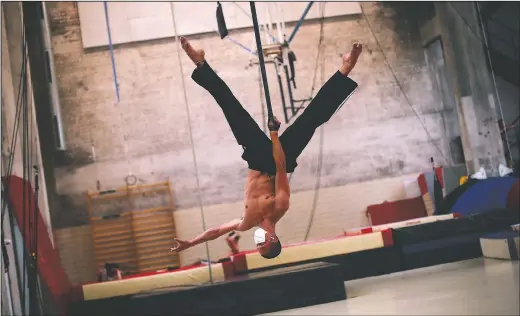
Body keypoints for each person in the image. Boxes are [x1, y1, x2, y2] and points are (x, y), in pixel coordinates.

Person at [171, 37, 362, 259]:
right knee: (312, 118)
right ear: (273, 239)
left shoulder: (246, 222)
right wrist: (274, 134)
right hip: (282, 157)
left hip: (256, 158)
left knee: (232, 109)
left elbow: (215, 232)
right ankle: (346, 67)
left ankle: (200, 63)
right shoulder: (280, 205)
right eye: (262, 245)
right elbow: (280, 166)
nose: (257, 243)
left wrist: (190, 243)